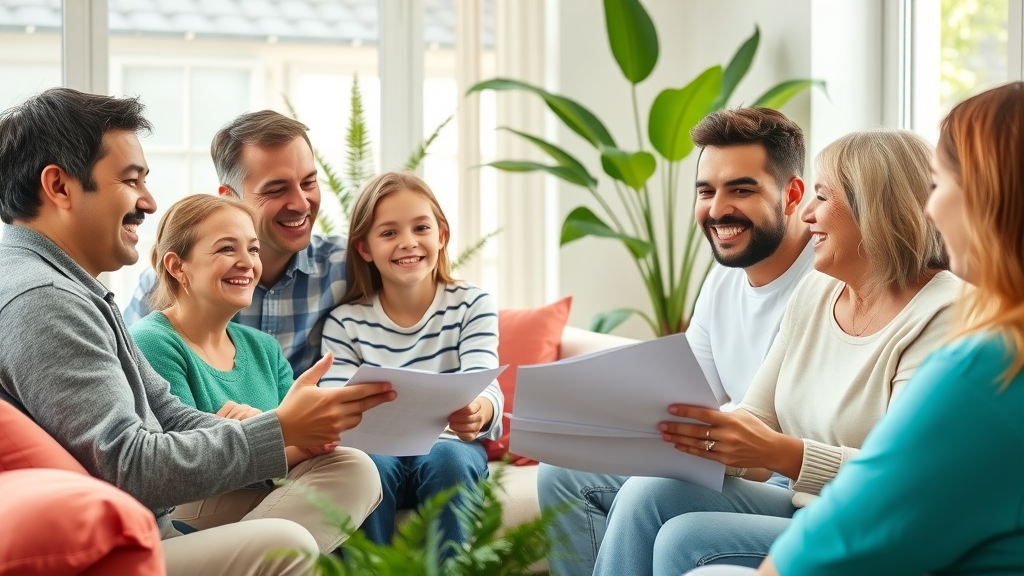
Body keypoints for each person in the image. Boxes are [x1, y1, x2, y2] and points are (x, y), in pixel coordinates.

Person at [0, 87, 395, 576]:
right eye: (130, 180)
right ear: (59, 187)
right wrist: (278, 430)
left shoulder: (70, 287)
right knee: (284, 542)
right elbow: (131, 466)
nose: (148, 201)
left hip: (154, 520)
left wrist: (284, 432)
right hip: (119, 541)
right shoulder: (41, 300)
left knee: (352, 470)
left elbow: (166, 413)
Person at [685, 81, 1024, 576]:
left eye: (943, 183)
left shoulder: (982, 355)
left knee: (701, 559)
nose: (930, 209)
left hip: (847, 524)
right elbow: (760, 427)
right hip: (823, 511)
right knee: (658, 502)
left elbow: (880, 504)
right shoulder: (813, 293)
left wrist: (781, 455)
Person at [592, 129, 960, 576]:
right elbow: (759, 416)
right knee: (647, 493)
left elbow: (903, 477)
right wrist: (701, 439)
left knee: (685, 540)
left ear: (876, 209)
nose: (805, 215)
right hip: (812, 509)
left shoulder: (943, 314)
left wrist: (780, 453)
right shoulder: (818, 292)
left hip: (887, 533)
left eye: (821, 198)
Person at [539, 106, 816, 576]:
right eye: (706, 191)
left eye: (741, 189)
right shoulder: (723, 280)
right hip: (729, 464)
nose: (717, 209)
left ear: (791, 195)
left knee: (651, 494)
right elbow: (687, 396)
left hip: (784, 479)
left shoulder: (827, 276)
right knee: (561, 473)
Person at [129, 194, 382, 542]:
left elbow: (294, 445)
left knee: (355, 468)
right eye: (226, 249)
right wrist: (275, 432)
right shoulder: (152, 342)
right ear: (177, 266)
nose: (247, 262)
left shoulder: (263, 348)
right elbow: (182, 459)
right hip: (186, 503)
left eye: (253, 249)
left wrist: (277, 432)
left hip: (260, 491)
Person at [319, 171, 503, 550]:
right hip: (374, 450)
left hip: (449, 445)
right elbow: (334, 401)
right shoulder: (345, 322)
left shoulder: (472, 304)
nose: (408, 243)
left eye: (421, 227)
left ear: (442, 235)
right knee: (364, 466)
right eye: (388, 233)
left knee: (449, 458)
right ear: (364, 248)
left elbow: (485, 381)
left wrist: (478, 411)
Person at [126, 110, 344, 378]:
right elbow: (132, 391)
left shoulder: (346, 267)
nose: (301, 204)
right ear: (230, 197)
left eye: (309, 182)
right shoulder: (163, 287)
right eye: (276, 190)